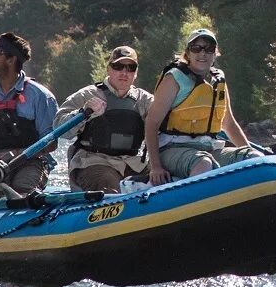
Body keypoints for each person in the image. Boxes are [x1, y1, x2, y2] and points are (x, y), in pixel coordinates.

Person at [145, 28, 254, 183]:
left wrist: (251, 153)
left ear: (215, 54)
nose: (202, 54)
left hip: (208, 148)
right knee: (203, 163)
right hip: (171, 149)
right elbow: (152, 122)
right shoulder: (174, 79)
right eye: (196, 48)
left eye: (209, 49)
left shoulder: (218, 80)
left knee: (253, 157)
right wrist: (155, 167)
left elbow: (228, 124)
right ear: (188, 53)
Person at [0, 31, 59, 197]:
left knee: (22, 191)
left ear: (11, 59)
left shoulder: (41, 96)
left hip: (30, 163)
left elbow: (51, 143)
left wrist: (15, 154)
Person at [55, 45, 153, 193]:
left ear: (136, 73)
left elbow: (164, 125)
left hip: (132, 163)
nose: (124, 72)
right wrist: (84, 113)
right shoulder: (88, 94)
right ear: (108, 69)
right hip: (93, 161)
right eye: (118, 66)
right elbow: (59, 127)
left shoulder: (145, 100)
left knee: (164, 178)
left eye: (130, 67)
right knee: (109, 185)